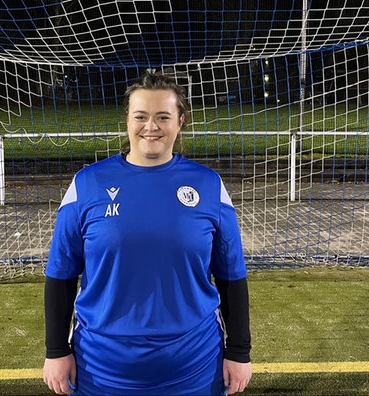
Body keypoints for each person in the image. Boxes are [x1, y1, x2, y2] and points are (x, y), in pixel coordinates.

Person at [42, 73, 252, 395]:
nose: (150, 127)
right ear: (127, 119)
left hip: (193, 366)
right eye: (140, 116)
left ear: (180, 122)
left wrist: (239, 351)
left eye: (163, 117)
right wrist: (56, 350)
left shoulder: (209, 186)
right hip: (101, 368)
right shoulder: (87, 184)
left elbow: (231, 276)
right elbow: (61, 274)